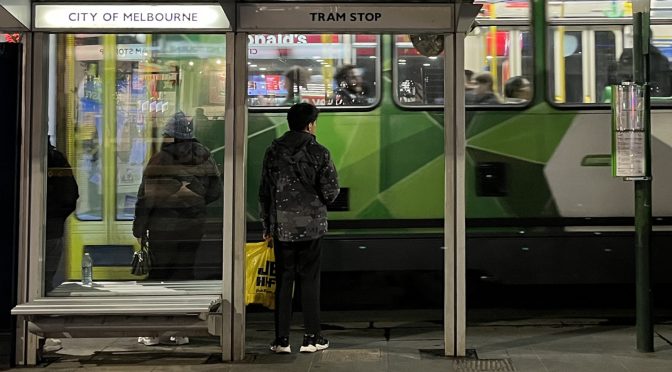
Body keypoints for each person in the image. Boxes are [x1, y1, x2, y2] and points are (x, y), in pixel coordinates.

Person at [133, 111, 222, 346]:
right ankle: (181, 331)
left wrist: (139, 226)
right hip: (193, 226)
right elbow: (215, 192)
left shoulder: (160, 159)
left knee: (159, 278)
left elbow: (145, 197)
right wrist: (194, 202)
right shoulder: (205, 157)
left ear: (169, 135)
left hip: (163, 227)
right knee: (185, 276)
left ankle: (153, 331)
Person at [259, 103, 340, 354]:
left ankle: (281, 340)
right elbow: (331, 193)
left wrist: (267, 226)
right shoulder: (319, 152)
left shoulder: (273, 151)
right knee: (310, 281)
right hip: (311, 228)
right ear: (309, 125)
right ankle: (312, 338)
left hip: (282, 227)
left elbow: (265, 192)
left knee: (283, 282)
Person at [44, 137, 79, 353]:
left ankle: (36, 337)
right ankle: (43, 335)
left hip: (39, 228)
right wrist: (57, 219)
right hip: (51, 231)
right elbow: (70, 194)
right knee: (45, 279)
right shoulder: (55, 157)